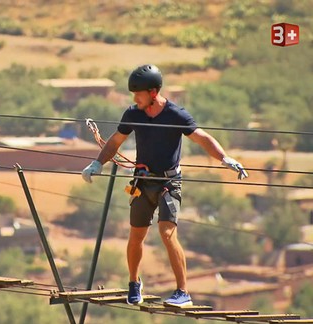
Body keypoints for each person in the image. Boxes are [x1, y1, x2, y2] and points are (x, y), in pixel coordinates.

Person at [81, 64, 248, 306]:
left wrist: (224, 158)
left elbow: (203, 138)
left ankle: (183, 292)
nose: (134, 98)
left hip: (169, 182)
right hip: (142, 182)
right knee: (136, 235)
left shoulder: (175, 115)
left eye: (138, 94)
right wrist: (97, 164)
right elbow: (115, 141)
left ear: (153, 92)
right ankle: (134, 283)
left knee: (167, 233)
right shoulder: (133, 114)